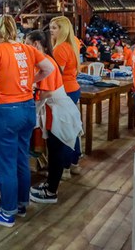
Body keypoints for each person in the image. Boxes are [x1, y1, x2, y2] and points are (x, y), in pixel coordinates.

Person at [0, 17, 55, 226]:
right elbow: (48, 69)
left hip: (5, 110)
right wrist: (28, 82)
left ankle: (7, 212)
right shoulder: (27, 49)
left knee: (5, 163)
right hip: (27, 108)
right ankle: (21, 204)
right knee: (21, 158)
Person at [25, 30, 82, 205]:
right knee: (53, 151)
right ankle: (50, 185)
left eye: (27, 43)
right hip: (53, 112)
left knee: (56, 153)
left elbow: (47, 92)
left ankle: (51, 191)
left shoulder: (46, 63)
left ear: (35, 44)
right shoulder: (45, 61)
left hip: (58, 113)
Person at [49, 15, 82, 177]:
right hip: (72, 88)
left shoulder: (60, 48)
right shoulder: (73, 43)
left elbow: (56, 73)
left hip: (64, 91)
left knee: (63, 130)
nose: (51, 31)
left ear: (63, 30)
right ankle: (74, 161)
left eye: (54, 28)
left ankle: (65, 166)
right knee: (72, 127)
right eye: (51, 27)